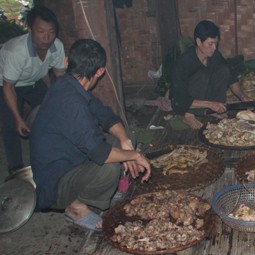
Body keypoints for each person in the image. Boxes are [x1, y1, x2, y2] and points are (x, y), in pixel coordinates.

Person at [30, 39, 151, 232]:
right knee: (109, 166)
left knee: (127, 137)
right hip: (56, 183)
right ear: (100, 71)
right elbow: (100, 153)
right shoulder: (71, 102)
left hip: (74, 159)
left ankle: (111, 188)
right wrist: (135, 155)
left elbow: (106, 115)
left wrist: (125, 141)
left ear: (67, 61)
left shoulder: (68, 84)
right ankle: (76, 207)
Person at [0, 5, 66, 175]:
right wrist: (18, 118)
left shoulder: (57, 46)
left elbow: (59, 76)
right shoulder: (16, 51)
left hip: (33, 82)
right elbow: (8, 86)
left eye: (51, 32)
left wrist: (63, 101)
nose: (47, 37)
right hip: (6, 85)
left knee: (51, 113)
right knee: (11, 126)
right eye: (41, 31)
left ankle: (54, 155)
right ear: (30, 30)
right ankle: (16, 170)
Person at [169, 20, 249, 129]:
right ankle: (188, 115)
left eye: (216, 43)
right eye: (210, 43)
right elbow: (179, 99)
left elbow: (231, 77)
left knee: (223, 70)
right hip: (183, 103)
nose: (214, 48)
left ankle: (211, 111)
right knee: (202, 74)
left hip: (205, 99)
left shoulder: (215, 56)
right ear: (198, 42)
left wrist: (242, 96)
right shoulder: (183, 63)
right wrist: (211, 104)